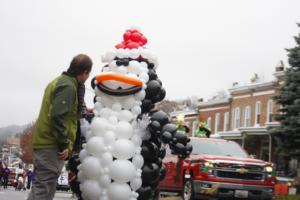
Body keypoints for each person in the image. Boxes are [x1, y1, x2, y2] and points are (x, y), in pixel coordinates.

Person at [27, 54, 92, 200]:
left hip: (46, 143)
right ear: (85, 72)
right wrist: (64, 143)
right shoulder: (68, 86)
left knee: (44, 188)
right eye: (88, 74)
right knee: (43, 189)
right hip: (51, 146)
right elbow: (57, 116)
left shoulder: (59, 82)